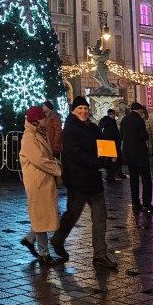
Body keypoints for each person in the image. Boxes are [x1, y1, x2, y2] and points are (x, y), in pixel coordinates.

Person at [50, 96, 117, 269]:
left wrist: (109, 158)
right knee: (72, 214)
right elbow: (75, 155)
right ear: (73, 111)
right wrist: (98, 162)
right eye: (80, 108)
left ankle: (100, 256)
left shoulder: (94, 128)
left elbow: (104, 146)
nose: (84, 111)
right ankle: (58, 239)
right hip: (77, 180)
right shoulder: (70, 130)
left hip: (93, 180)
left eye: (85, 108)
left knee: (100, 217)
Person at [18, 106, 63, 267]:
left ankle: (31, 240)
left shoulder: (39, 133)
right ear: (36, 120)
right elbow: (39, 159)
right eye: (42, 116)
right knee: (41, 215)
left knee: (42, 215)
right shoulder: (29, 137)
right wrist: (56, 168)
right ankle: (44, 254)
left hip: (44, 179)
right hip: (37, 181)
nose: (45, 118)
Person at [120, 101, 153, 213]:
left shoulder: (124, 120)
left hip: (128, 154)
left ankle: (135, 203)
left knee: (134, 180)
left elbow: (121, 135)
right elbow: (144, 136)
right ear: (139, 110)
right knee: (146, 179)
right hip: (140, 154)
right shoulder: (139, 120)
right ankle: (146, 204)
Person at [98, 108, 124, 180]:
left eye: (114, 114)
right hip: (109, 143)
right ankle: (111, 175)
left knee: (117, 159)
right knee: (113, 160)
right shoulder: (105, 120)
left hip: (114, 142)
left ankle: (115, 174)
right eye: (112, 114)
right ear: (109, 114)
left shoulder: (112, 121)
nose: (113, 115)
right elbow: (100, 128)